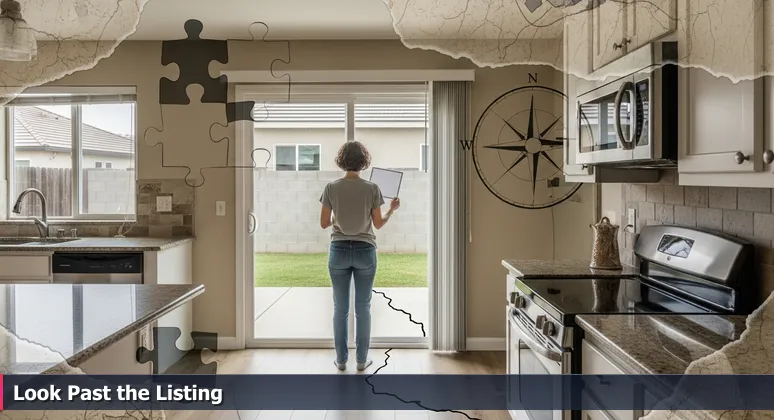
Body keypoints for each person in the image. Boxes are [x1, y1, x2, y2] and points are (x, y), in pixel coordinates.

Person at [319, 141, 401, 371]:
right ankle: (362, 361)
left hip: (339, 251)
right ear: (363, 161)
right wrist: (391, 210)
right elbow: (378, 223)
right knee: (363, 308)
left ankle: (342, 360)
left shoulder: (331, 187)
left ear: (342, 160)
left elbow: (324, 223)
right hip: (365, 251)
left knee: (340, 309)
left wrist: (340, 218)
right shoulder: (372, 188)